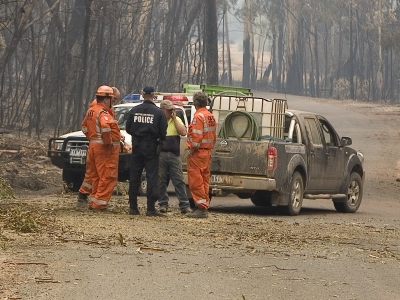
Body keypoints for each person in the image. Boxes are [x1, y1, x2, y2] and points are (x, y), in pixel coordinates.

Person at [76, 87, 121, 208]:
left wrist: (93, 139)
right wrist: (108, 142)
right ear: (107, 99)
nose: (114, 101)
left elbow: (84, 127)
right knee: (107, 175)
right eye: (113, 99)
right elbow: (105, 127)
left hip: (94, 145)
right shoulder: (103, 112)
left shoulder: (92, 110)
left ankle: (94, 201)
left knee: (95, 175)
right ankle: (99, 203)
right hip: (103, 148)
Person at [126, 86, 167, 217]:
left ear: (143, 95)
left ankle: (133, 207)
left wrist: (138, 135)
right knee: (152, 177)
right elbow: (163, 132)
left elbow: (128, 128)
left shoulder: (134, 110)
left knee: (134, 176)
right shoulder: (158, 112)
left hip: (137, 146)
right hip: (151, 147)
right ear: (153, 95)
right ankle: (150, 208)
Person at [157, 100, 192, 214]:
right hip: (161, 154)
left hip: (174, 154)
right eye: (168, 110)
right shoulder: (158, 121)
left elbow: (183, 132)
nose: (171, 111)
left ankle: (184, 205)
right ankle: (163, 203)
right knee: (161, 180)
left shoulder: (177, 120)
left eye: (172, 109)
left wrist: (175, 119)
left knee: (179, 181)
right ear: (162, 110)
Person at [186, 92, 216, 218]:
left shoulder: (198, 117)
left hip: (197, 153)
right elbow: (213, 136)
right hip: (207, 152)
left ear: (195, 103)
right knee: (204, 180)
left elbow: (196, 137)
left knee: (196, 181)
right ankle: (205, 205)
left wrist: (191, 150)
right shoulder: (210, 116)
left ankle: (201, 208)